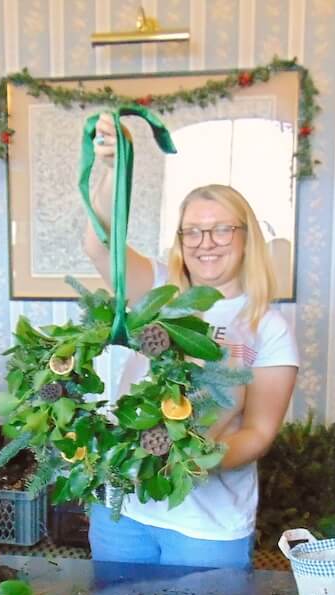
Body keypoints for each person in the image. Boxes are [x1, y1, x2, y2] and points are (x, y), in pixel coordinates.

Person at [81, 112, 299, 569]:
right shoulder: (159, 294)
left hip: (208, 525)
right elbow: (100, 246)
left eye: (222, 229)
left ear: (245, 237)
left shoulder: (268, 327)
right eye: (193, 230)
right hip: (123, 511)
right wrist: (110, 169)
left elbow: (259, 432)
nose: (206, 242)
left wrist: (191, 460)